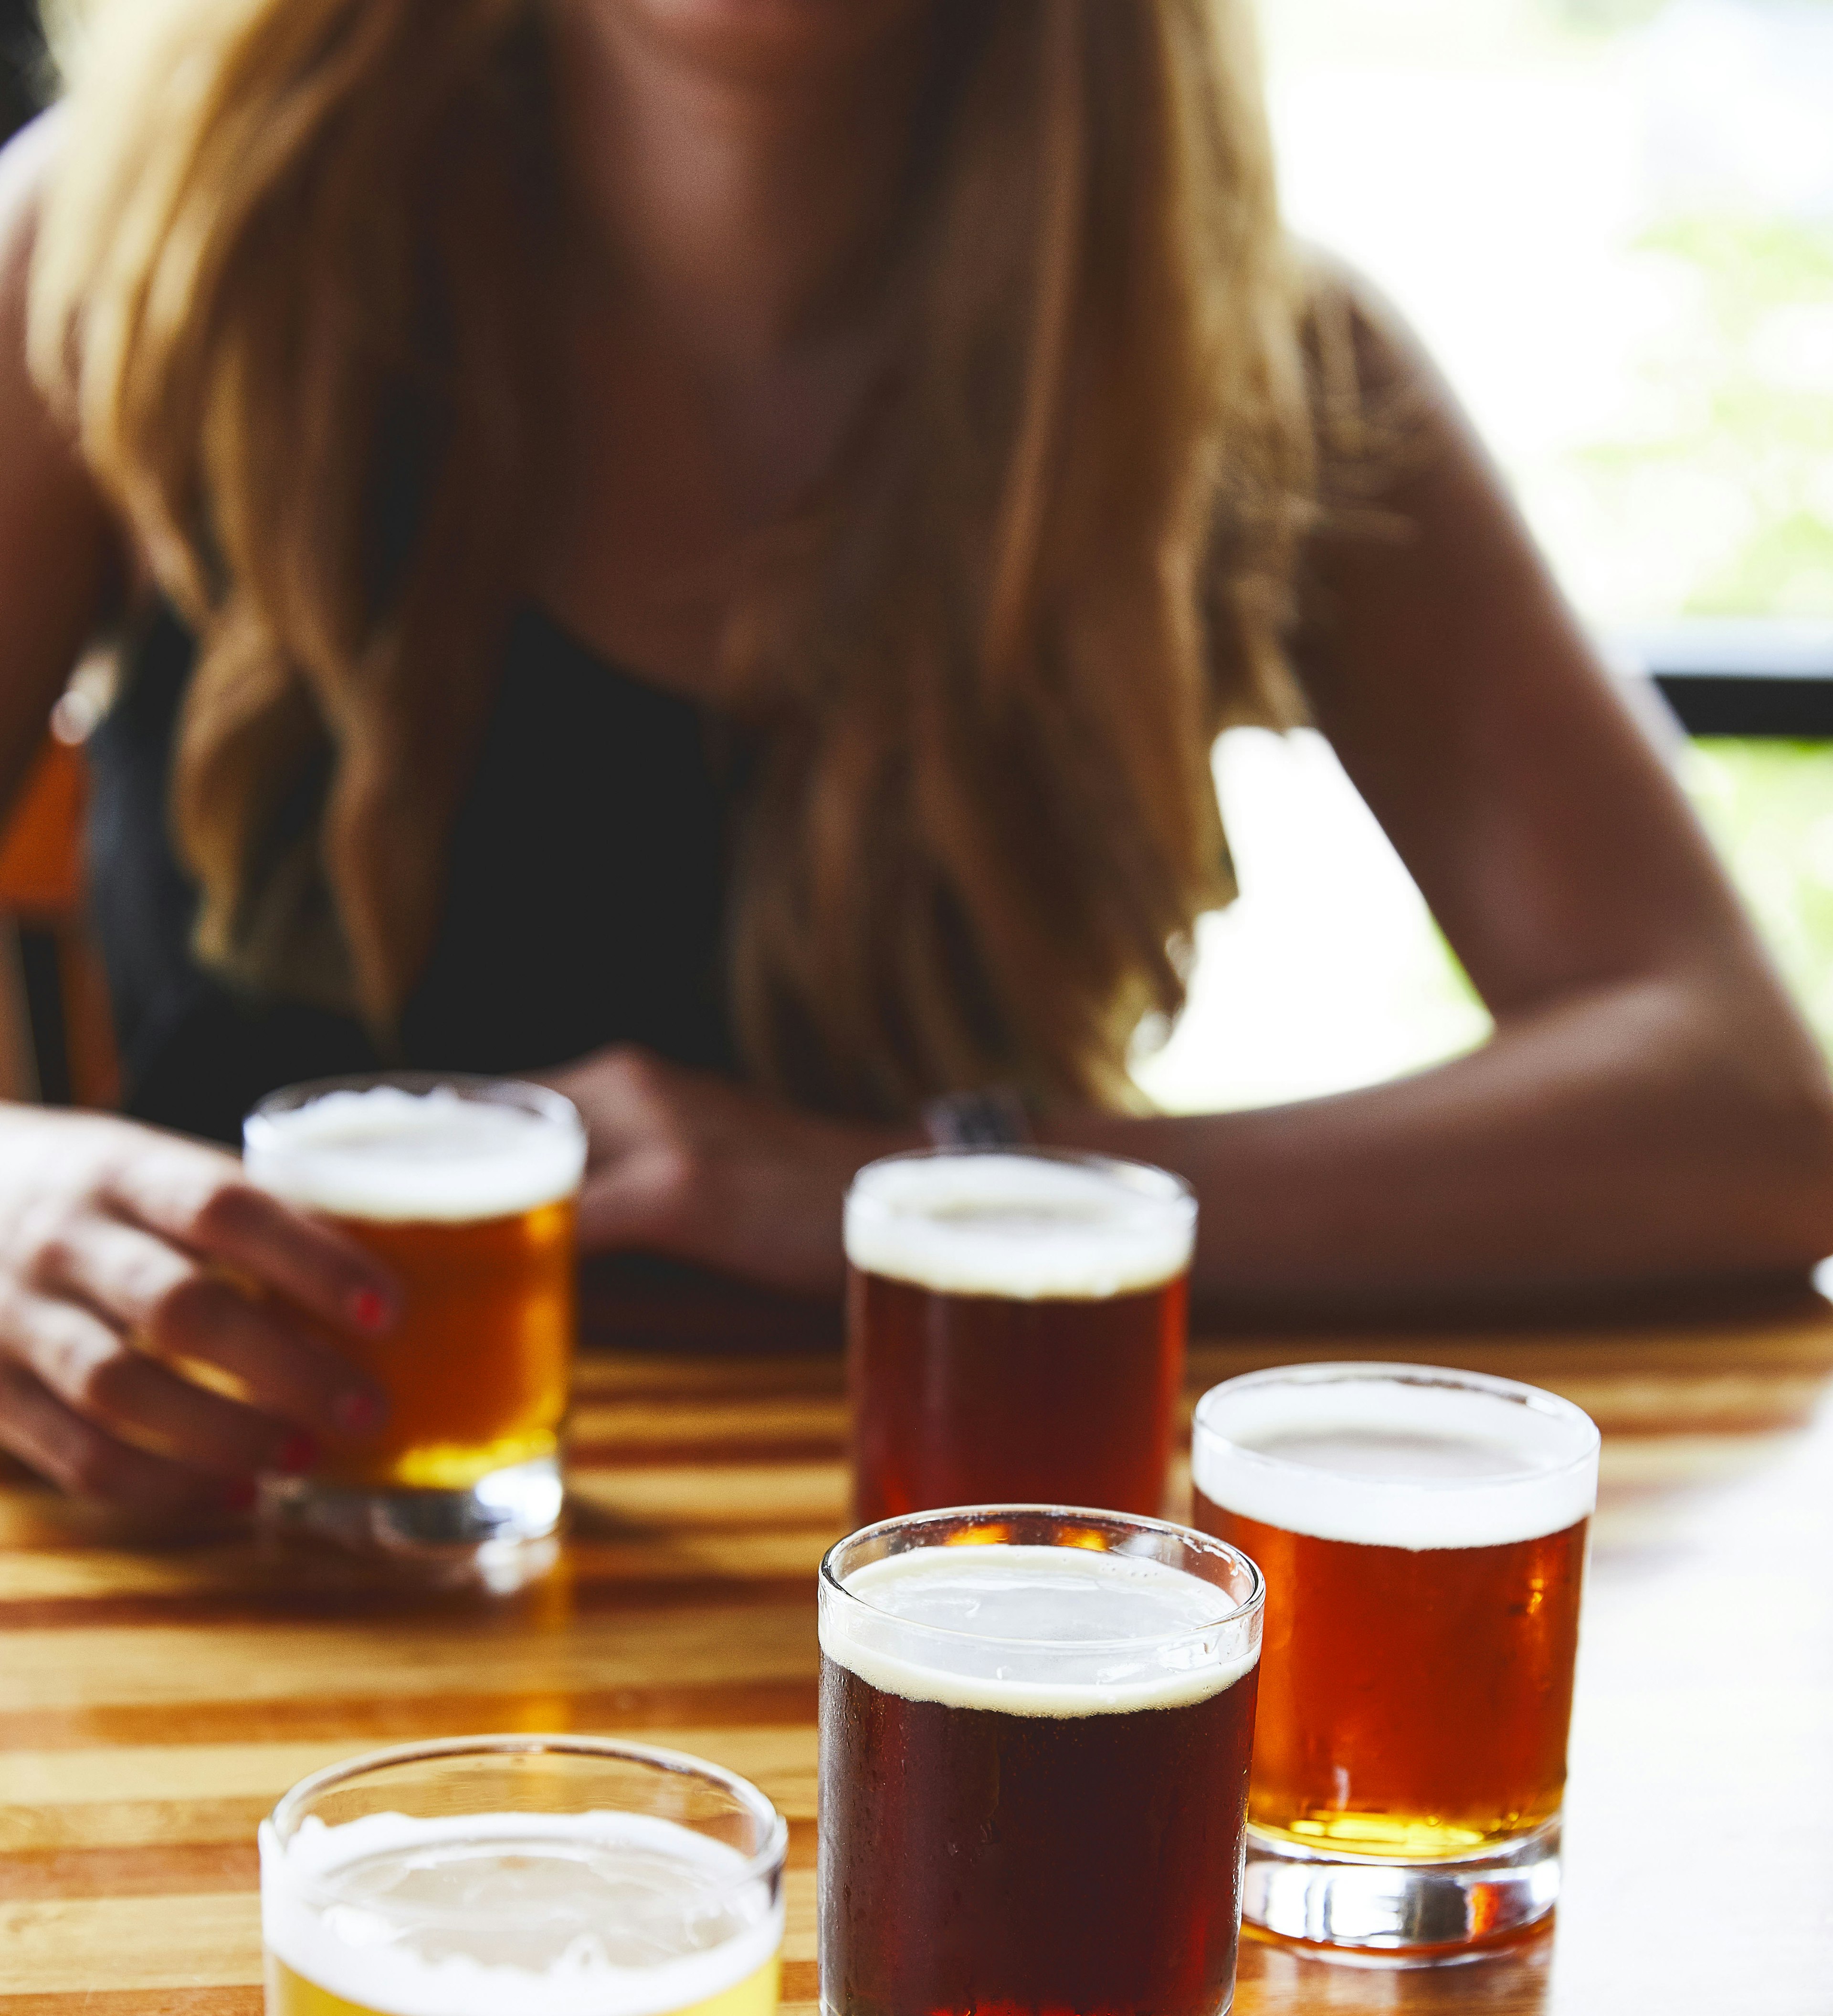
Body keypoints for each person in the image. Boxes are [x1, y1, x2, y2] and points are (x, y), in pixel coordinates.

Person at [0, 0, 1828, 1519]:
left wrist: (908, 1183)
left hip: (975, 1633)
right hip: (237, 1568)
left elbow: (1748, 1117)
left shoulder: (1249, 359)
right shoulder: (122, 249)